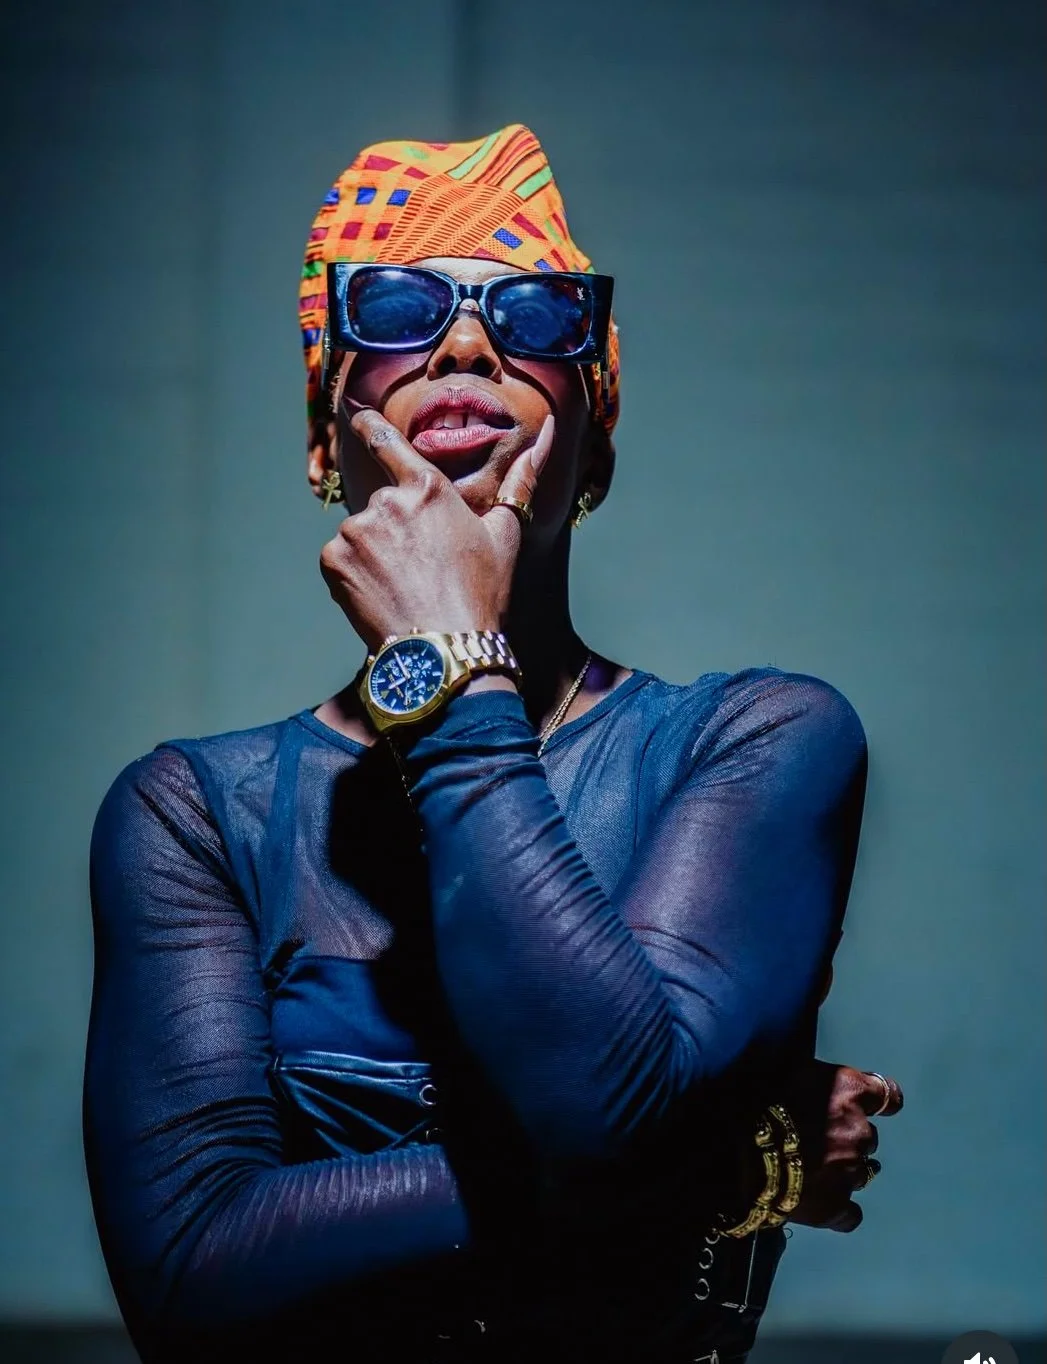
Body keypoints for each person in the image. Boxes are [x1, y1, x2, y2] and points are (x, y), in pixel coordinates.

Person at [83, 124, 904, 1364]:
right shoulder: (199, 813)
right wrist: (729, 1158)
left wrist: (452, 671)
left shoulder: (757, 741)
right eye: (402, 306)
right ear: (325, 438)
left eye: (533, 317)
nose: (468, 344)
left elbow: (609, 1118)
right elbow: (194, 1272)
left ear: (601, 438)